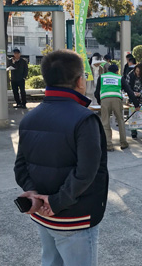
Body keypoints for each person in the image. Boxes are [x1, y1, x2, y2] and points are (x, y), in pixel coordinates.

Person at [14, 49, 109, 266]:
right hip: (74, 218)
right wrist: (56, 202)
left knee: (50, 261)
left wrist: (36, 196)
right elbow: (86, 173)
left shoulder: (29, 119)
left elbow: (20, 167)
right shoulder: (85, 119)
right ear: (79, 82)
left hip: (41, 215)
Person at [94, 64, 140, 151]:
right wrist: (136, 105)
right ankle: (123, 143)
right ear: (117, 71)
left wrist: (99, 101)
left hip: (105, 100)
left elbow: (96, 92)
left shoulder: (102, 77)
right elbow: (129, 91)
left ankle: (109, 145)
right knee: (120, 121)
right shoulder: (119, 78)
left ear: (108, 71)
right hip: (116, 100)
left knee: (105, 123)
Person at [126, 63, 142, 138]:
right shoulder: (130, 74)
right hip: (132, 97)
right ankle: (134, 132)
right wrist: (132, 93)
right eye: (136, 71)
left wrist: (140, 94)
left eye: (139, 72)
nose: (137, 73)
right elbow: (127, 86)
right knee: (133, 114)